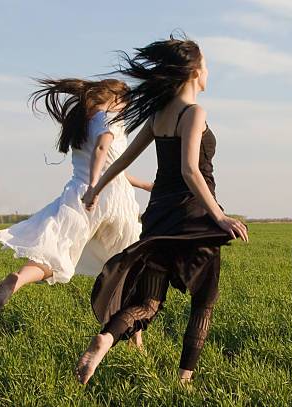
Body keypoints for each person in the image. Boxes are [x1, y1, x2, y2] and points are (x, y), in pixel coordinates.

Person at [76, 34, 249, 385]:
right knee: (204, 298)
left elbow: (122, 160)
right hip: (192, 216)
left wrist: (95, 188)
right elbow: (190, 170)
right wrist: (218, 215)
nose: (208, 72)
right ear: (194, 72)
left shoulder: (158, 115)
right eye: (207, 66)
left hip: (157, 217)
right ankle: (184, 379)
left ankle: (105, 339)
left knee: (150, 301)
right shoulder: (194, 112)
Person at [0, 78, 152, 344]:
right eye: (124, 103)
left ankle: (17, 280)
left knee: (55, 255)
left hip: (79, 196)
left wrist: (144, 184)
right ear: (115, 100)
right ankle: (136, 343)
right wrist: (96, 188)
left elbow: (112, 164)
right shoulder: (108, 120)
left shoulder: (80, 125)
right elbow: (102, 149)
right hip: (109, 200)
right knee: (129, 271)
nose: (124, 109)